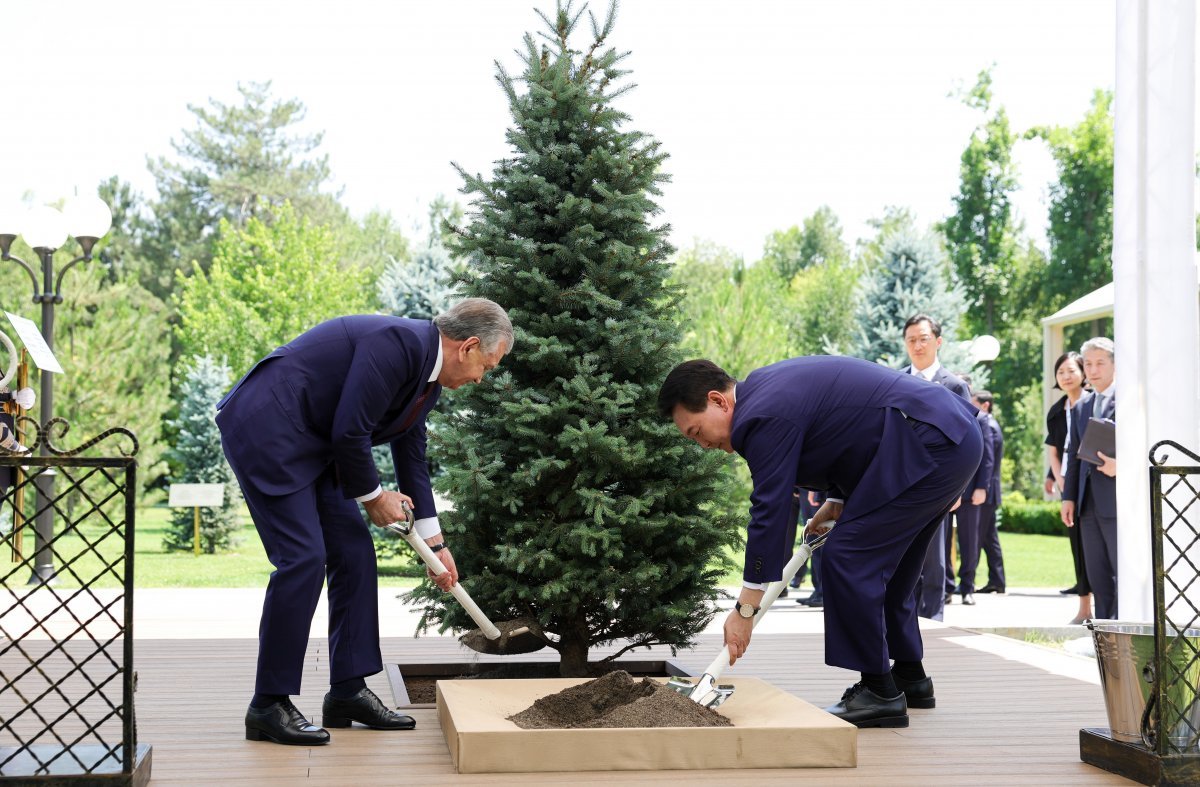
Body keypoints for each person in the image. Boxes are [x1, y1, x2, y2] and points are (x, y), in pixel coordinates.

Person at [216, 298, 513, 746]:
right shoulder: (397, 344)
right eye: (486, 366)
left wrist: (435, 546)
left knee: (354, 555)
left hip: (319, 446)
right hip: (270, 429)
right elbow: (351, 430)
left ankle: (348, 691)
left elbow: (410, 454)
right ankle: (267, 705)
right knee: (302, 559)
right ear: (468, 346)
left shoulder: (427, 380)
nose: (480, 378)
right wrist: (374, 498)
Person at [658, 356, 982, 728]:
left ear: (718, 401)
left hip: (929, 444)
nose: (703, 445)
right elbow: (845, 433)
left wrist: (746, 607)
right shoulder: (765, 390)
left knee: (848, 558)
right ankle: (909, 677)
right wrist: (838, 500)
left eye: (697, 432)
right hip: (946, 436)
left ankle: (878, 693)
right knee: (890, 568)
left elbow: (771, 508)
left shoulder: (758, 417)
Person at [899, 314, 971, 621]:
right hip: (901, 484)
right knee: (902, 554)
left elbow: (969, 440)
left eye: (923, 338)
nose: (917, 345)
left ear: (938, 342)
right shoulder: (896, 381)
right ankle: (903, 617)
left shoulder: (953, 386)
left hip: (939, 484)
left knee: (934, 557)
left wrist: (958, 488)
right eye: (911, 339)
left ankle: (933, 620)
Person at [1061, 338, 1118, 619]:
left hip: (1117, 501)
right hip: (1086, 504)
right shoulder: (1081, 407)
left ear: (1115, 365)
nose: (1093, 370)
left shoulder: (1131, 401)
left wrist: (1122, 467)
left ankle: (1124, 631)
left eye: (1100, 363)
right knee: (1097, 573)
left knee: (1120, 570)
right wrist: (1068, 497)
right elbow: (1073, 455)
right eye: (1089, 364)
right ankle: (1106, 633)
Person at [1044, 352, 1092, 624]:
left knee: (1095, 546)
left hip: (1092, 482)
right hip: (1068, 484)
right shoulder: (1056, 410)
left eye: (1071, 370)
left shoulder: (1092, 403)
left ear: (1083, 373)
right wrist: (1060, 480)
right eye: (1060, 371)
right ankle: (1084, 609)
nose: (1065, 376)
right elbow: (1053, 451)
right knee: (1077, 546)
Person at [960, 391, 1004, 598]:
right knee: (987, 537)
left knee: (978, 538)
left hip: (979, 491)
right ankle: (997, 580)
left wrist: (982, 487)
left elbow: (988, 459)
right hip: (968, 489)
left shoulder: (988, 423)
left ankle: (980, 582)